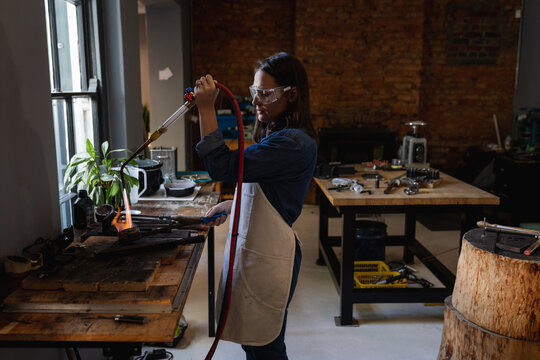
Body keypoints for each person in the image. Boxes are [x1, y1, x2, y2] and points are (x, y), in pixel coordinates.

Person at [194, 52, 317, 360]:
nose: (256, 101)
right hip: (256, 248)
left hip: (270, 254)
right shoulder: (276, 132)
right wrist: (234, 205)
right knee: (253, 340)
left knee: (266, 346)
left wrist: (206, 107)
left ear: (292, 94)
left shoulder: (293, 143)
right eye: (254, 92)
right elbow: (268, 191)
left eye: (265, 94)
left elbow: (222, 166)